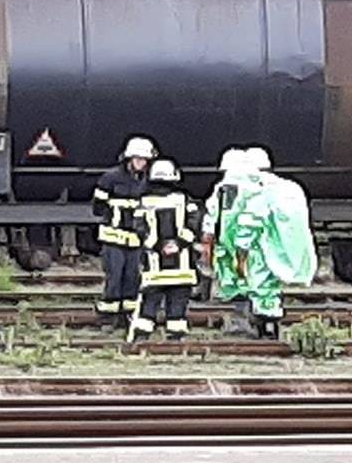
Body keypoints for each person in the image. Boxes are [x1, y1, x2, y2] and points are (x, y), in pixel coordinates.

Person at [215, 146, 316, 339]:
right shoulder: (287, 188)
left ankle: (264, 328)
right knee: (268, 287)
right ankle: (269, 327)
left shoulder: (255, 191)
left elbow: (247, 222)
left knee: (255, 284)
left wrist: (240, 247)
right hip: (275, 246)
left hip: (257, 248)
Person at [132, 158, 200, 342]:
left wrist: (158, 246)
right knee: (178, 300)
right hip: (182, 264)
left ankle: (142, 334)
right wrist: (178, 244)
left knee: (150, 300)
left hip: (155, 264)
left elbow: (139, 229)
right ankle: (175, 335)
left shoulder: (144, 202)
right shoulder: (185, 199)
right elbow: (194, 224)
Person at [92, 136, 154, 330]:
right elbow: (98, 208)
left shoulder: (146, 182)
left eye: (144, 160)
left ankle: (128, 316)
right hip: (113, 238)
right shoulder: (110, 178)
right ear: (128, 158)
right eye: (138, 159)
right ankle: (107, 318)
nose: (141, 163)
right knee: (114, 278)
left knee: (132, 279)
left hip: (135, 240)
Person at [203, 148, 257, 336]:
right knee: (252, 281)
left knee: (236, 281)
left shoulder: (223, 190)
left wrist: (208, 238)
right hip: (252, 243)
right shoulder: (257, 188)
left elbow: (212, 217)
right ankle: (256, 321)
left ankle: (242, 320)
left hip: (228, 242)